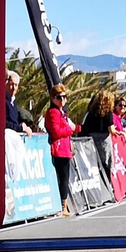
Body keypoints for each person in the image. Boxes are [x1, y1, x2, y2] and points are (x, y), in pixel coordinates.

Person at [45, 84, 77, 216]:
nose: (62, 100)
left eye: (64, 97)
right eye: (59, 97)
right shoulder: (53, 112)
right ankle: (62, 206)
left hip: (65, 148)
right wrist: (70, 129)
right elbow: (56, 131)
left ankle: (64, 205)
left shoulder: (61, 113)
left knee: (65, 178)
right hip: (59, 150)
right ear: (53, 98)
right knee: (62, 178)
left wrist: (76, 128)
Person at [80, 89, 115, 184]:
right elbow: (111, 129)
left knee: (94, 165)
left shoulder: (91, 113)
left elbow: (85, 127)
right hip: (103, 141)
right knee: (106, 165)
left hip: (91, 140)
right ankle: (107, 186)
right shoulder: (108, 113)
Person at [5, 69, 33, 134]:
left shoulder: (12, 102)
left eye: (16, 85)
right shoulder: (3, 102)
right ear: (6, 84)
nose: (14, 88)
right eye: (11, 84)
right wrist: (21, 128)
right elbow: (4, 123)